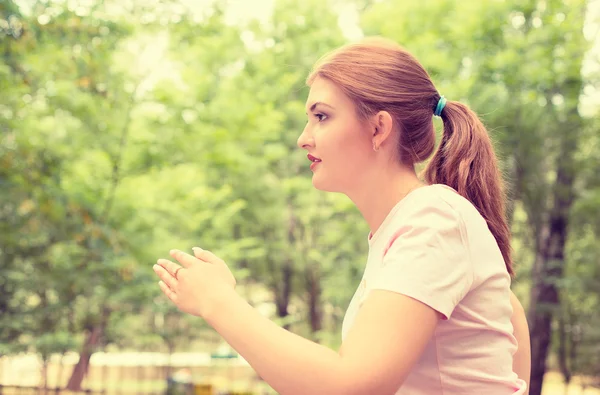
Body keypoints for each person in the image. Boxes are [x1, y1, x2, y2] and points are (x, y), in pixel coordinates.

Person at [152, 37, 531, 394]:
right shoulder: (410, 227)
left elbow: (351, 385)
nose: (304, 137)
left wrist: (218, 302)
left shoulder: (434, 220)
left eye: (322, 116)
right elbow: (509, 315)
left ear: (379, 128)